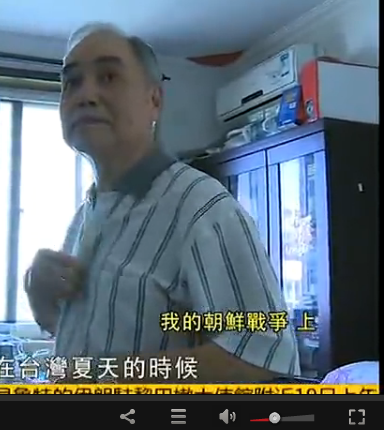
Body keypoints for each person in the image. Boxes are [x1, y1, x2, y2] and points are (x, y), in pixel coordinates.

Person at [24, 22, 300, 383]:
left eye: (108, 77)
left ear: (154, 101)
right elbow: (97, 334)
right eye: (72, 82)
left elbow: (265, 360)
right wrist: (42, 303)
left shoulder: (203, 210)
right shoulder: (84, 216)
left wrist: (107, 376)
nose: (85, 95)